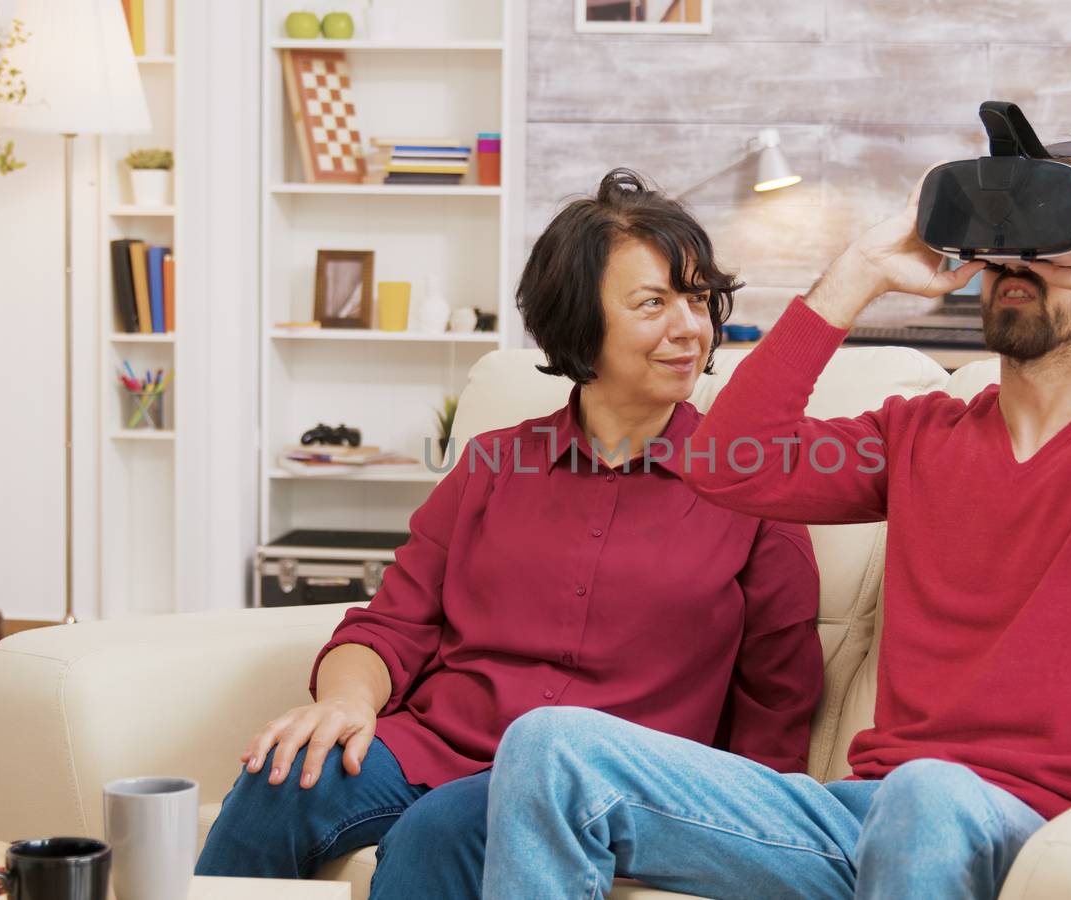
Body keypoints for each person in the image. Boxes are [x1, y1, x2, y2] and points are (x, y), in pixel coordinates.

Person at [481, 161, 1071, 899]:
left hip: (1046, 833)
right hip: (868, 816)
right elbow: (722, 464)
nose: (1018, 267)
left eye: (1058, 245)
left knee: (930, 790)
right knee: (551, 748)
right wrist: (858, 272)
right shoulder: (919, 435)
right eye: (1004, 246)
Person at [195, 168, 823, 898]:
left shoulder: (753, 488)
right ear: (579, 321)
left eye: (697, 299)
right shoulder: (493, 463)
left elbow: (776, 705)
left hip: (595, 783)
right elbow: (390, 624)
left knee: (447, 827)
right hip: (435, 744)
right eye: (654, 303)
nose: (689, 327)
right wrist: (344, 704)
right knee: (281, 778)